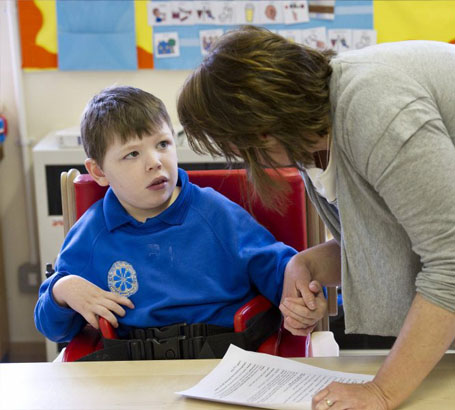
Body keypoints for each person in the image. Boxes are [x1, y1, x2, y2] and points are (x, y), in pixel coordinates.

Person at [177, 26, 455, 409]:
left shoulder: (374, 110)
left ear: (261, 131)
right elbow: (381, 239)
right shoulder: (313, 133)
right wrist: (304, 264)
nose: (243, 158)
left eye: (236, 146)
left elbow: (450, 260)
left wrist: (381, 392)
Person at [34, 86, 325, 359]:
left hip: (226, 361)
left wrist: (304, 301)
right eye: (132, 154)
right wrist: (62, 289)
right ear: (98, 171)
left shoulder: (215, 213)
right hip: (132, 372)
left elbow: (280, 269)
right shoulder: (91, 233)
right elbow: (55, 328)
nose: (155, 162)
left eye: (162, 144)